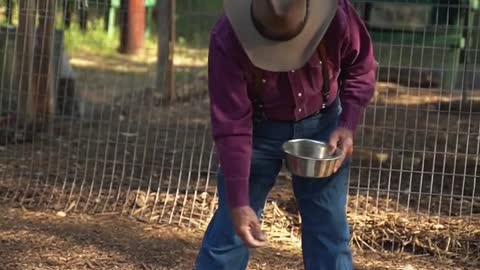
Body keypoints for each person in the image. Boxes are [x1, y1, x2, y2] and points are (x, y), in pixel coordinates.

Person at [195, 0, 377, 269]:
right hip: (258, 131)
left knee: (328, 227)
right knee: (233, 229)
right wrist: (238, 201)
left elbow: (362, 67)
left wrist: (346, 123)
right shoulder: (228, 37)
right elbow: (232, 124)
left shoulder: (337, 16)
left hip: (323, 127)